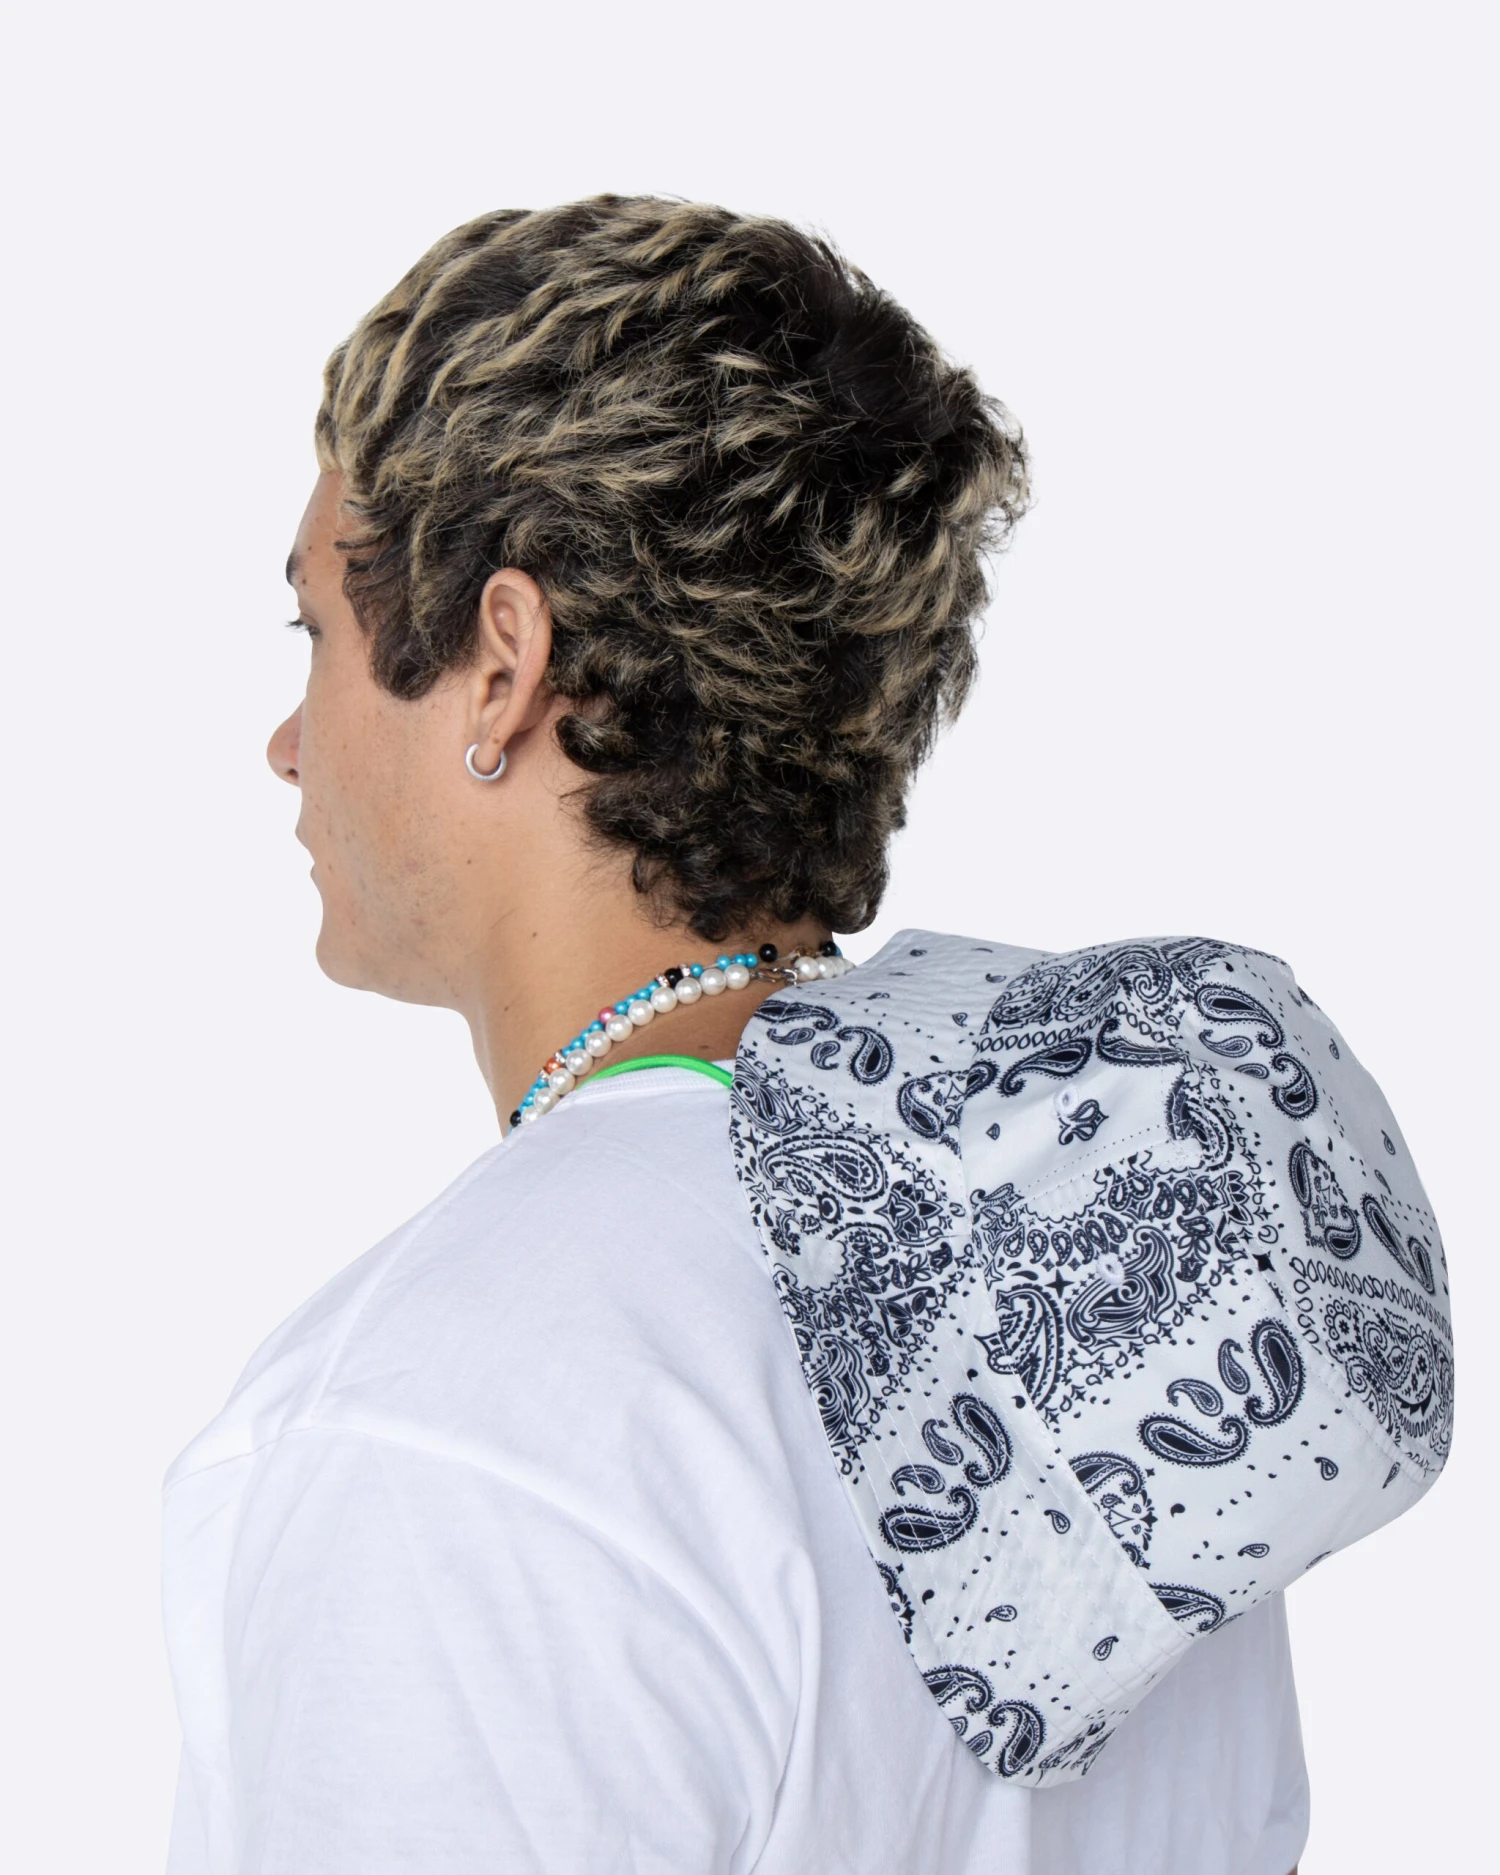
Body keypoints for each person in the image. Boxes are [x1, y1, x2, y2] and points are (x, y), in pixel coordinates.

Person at [161, 197, 1450, 1874]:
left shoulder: (452, 1415)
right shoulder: (1094, 1348)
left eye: (315, 635)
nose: (287, 740)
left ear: (502, 664)